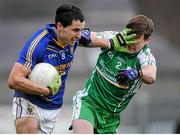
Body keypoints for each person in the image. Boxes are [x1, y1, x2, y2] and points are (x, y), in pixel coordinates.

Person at [8, 4, 137, 134]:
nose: (79, 35)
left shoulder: (73, 38)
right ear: (59, 27)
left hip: (53, 107)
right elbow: (14, 80)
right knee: (29, 130)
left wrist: (113, 43)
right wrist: (46, 91)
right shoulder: (39, 45)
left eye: (81, 30)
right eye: (76, 30)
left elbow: (93, 38)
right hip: (29, 101)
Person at [71, 15, 157, 134]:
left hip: (111, 118)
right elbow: (83, 38)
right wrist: (110, 43)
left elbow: (151, 75)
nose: (131, 45)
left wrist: (138, 72)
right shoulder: (116, 38)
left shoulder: (144, 56)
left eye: (136, 43)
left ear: (147, 40)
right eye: (130, 39)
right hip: (89, 102)